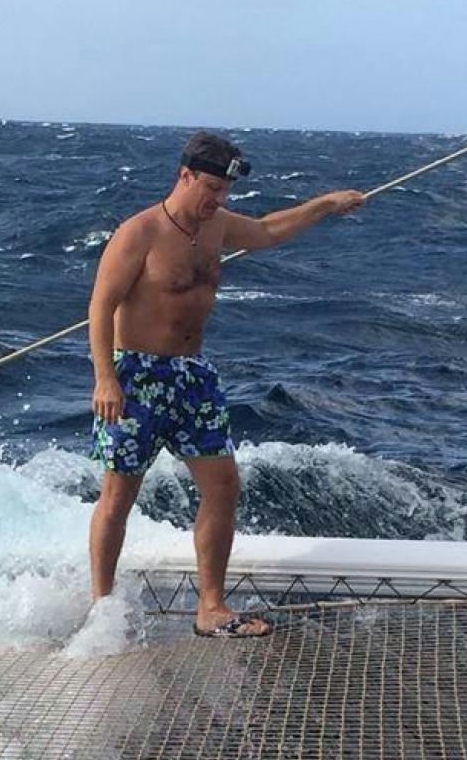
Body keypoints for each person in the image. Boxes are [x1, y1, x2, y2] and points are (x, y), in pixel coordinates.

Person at [87, 130, 364, 638]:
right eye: (211, 188)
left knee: (223, 485)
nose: (218, 200)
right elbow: (101, 306)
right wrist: (106, 378)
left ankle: (210, 607)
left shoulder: (215, 228)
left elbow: (266, 231)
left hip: (193, 377)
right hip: (137, 377)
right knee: (119, 494)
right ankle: (102, 606)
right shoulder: (139, 232)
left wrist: (325, 204)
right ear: (185, 176)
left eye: (225, 192)